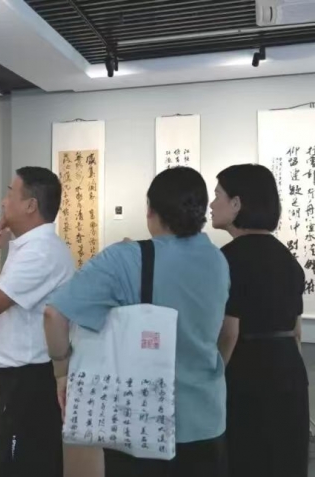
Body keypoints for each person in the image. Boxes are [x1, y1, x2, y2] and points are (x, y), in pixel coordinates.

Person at [44, 167, 229, 477]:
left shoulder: (124, 258)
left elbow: (53, 315)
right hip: (207, 421)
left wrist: (61, 373)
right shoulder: (217, 260)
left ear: (150, 210)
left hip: (142, 424)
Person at [210, 164, 309, 477]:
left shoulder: (227, 258)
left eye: (217, 195)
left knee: (246, 460)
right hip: (290, 373)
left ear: (237, 203)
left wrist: (211, 380)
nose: (211, 204)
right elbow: (296, 331)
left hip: (247, 374)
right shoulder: (288, 259)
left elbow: (229, 332)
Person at [0, 166, 75, 477]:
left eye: (11, 193)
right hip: (23, 376)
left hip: (26, 379)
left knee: (18, 462)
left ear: (31, 205)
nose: (4, 201)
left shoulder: (40, 252)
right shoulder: (32, 247)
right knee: (29, 457)